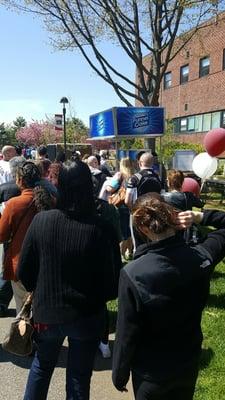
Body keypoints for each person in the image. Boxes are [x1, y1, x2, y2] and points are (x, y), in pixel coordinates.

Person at [17, 160, 122, 400]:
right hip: (87, 314)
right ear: (89, 185)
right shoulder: (102, 227)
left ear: (59, 186)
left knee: (41, 368)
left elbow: (25, 270)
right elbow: (114, 276)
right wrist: (98, 298)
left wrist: (40, 289)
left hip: (47, 311)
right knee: (78, 376)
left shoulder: (42, 221)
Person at [112, 194, 225, 399]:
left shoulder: (134, 273)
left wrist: (119, 374)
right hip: (188, 363)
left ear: (144, 229)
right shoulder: (201, 258)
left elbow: (126, 332)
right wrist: (200, 217)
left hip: (151, 373)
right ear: (175, 218)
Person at [0, 161, 52, 314]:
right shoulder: (49, 199)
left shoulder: (14, 204)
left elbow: (1, 235)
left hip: (20, 262)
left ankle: (27, 337)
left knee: (23, 310)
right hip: (46, 261)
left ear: (20, 180)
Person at [0, 156, 25, 317]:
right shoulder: (40, 188)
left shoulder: (4, 188)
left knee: (8, 269)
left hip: (9, 237)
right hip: (29, 237)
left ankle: (2, 302)